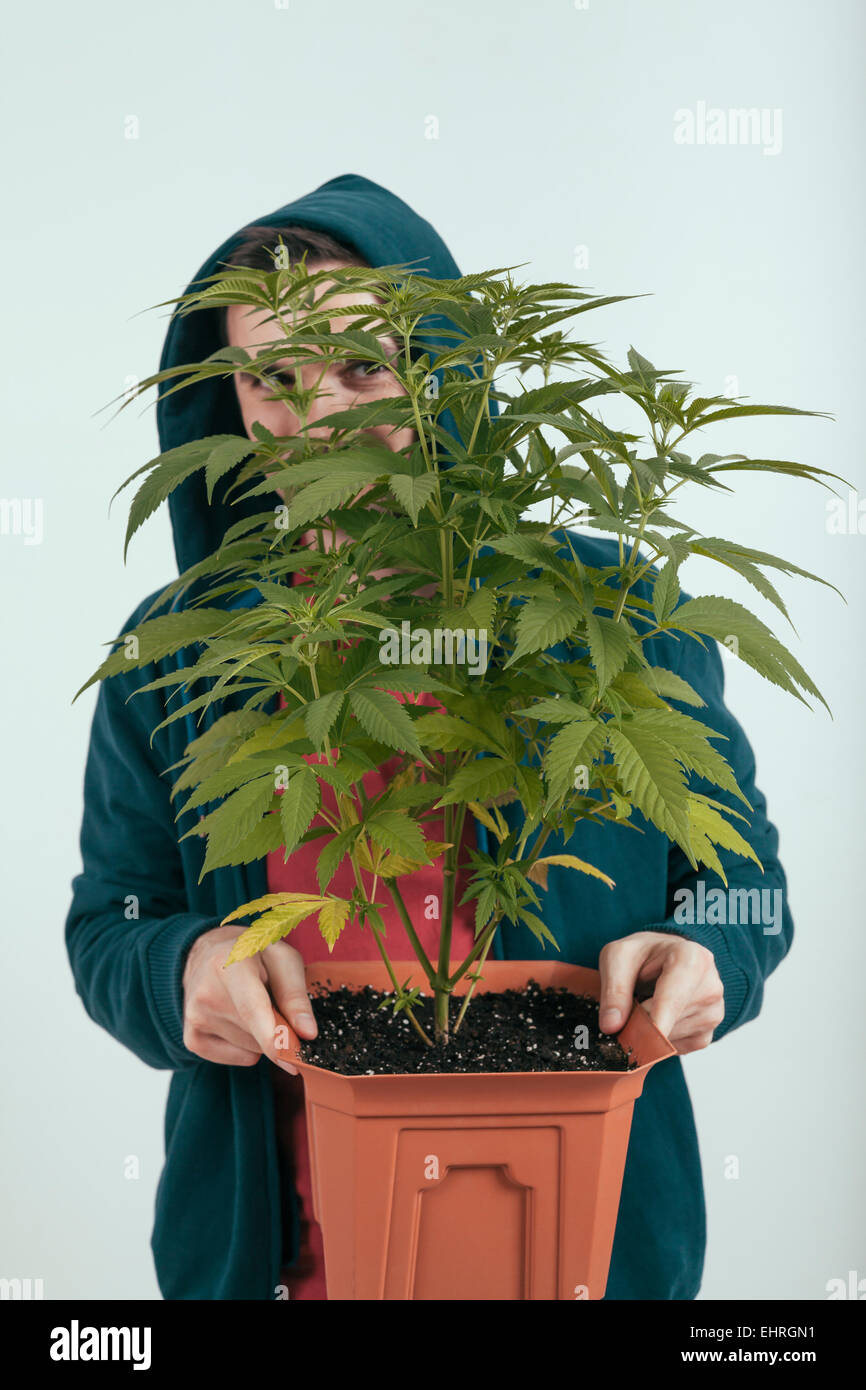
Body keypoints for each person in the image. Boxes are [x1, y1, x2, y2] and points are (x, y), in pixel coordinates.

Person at [66, 172, 793, 1301]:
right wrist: (179, 967)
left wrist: (712, 957)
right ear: (227, 396)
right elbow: (112, 921)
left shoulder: (610, 614)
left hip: (577, 1249)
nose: (321, 421)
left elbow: (741, 889)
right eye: (273, 377)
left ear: (447, 362)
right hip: (282, 1264)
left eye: (366, 366)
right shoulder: (177, 655)